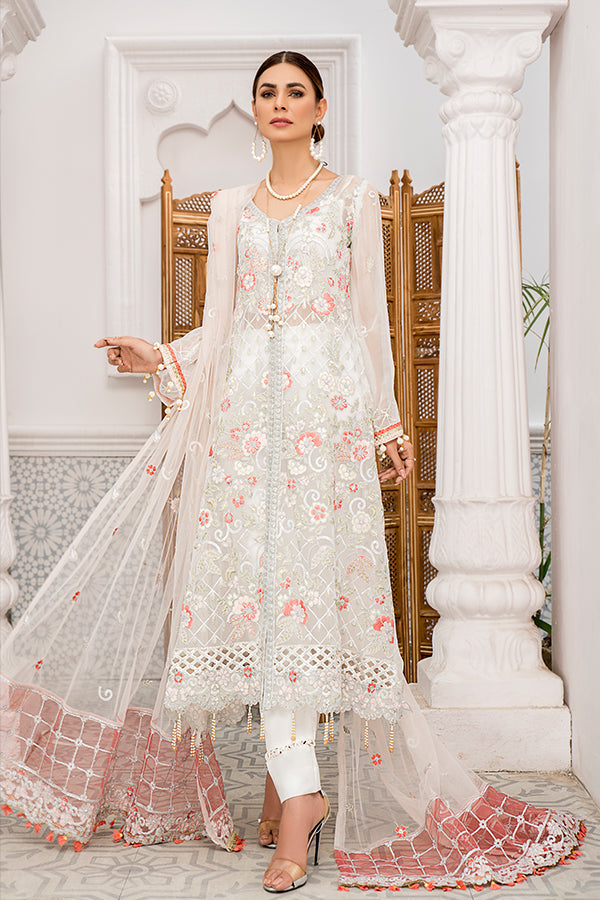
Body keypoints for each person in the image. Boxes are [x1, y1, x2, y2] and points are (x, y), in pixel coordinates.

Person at [1, 51, 582, 895]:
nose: (280, 103)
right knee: (258, 601)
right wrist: (160, 356)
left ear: (319, 109)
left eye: (296, 92)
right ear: (255, 109)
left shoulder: (353, 201)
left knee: (304, 600)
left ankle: (298, 797)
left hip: (324, 426)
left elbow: (370, 323)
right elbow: (223, 323)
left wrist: (386, 420)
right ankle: (291, 785)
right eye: (267, 92)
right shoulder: (230, 208)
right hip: (242, 430)